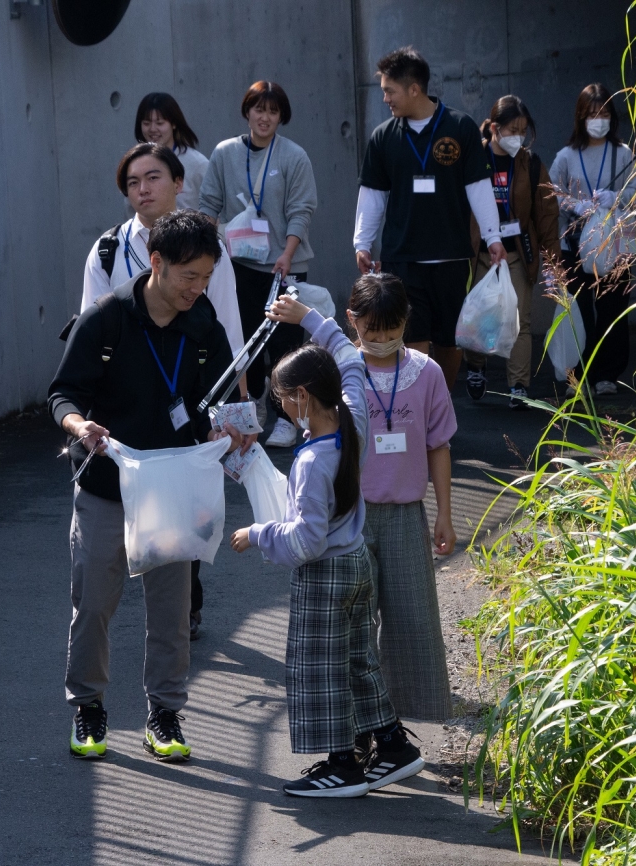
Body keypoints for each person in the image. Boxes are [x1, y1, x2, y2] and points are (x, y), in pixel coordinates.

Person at [49, 210, 256, 762]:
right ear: (158, 264)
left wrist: (219, 428)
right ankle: (88, 706)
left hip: (173, 486)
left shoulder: (204, 325)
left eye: (207, 277)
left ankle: (165, 713)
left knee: (171, 610)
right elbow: (62, 394)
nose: (197, 288)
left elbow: (203, 401)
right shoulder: (106, 319)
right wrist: (78, 426)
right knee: (93, 601)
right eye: (189, 276)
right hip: (105, 483)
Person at [228, 291, 423, 798]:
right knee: (358, 659)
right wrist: (309, 318)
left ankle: (342, 766)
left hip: (327, 573)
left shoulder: (312, 460)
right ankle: (392, 744)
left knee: (319, 668)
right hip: (356, 560)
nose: (281, 408)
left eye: (281, 399)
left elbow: (307, 541)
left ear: (302, 400)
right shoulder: (351, 417)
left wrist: (260, 534)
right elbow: (346, 356)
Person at [79, 142, 245, 640]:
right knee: (116, 522)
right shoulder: (108, 248)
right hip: (125, 405)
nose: (143, 189)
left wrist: (233, 411)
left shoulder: (207, 246)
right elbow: (87, 325)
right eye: (133, 182)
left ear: (178, 182)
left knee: (181, 517)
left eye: (153, 178)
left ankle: (183, 609)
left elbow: (228, 334)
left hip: (185, 400)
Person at [353, 46, 504, 391]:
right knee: (413, 338)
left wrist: (493, 237)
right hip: (402, 258)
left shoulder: (460, 127)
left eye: (390, 91)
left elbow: (479, 188)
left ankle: (441, 403)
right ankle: (419, 415)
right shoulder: (383, 137)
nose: (386, 99)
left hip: (451, 255)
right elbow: (372, 195)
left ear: (414, 88)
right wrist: (362, 242)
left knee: (450, 341)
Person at [346, 272, 457, 722]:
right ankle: (359, 720)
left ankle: (405, 721)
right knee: (353, 623)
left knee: (414, 621)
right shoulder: (342, 370)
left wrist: (445, 515)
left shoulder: (426, 373)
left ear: (406, 322)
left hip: (407, 514)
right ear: (353, 322)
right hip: (350, 517)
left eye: (392, 334)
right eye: (373, 334)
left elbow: (439, 445)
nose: (382, 342)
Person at [200, 81, 318, 449]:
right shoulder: (224, 153)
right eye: (258, 109)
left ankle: (287, 418)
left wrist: (287, 252)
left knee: (284, 343)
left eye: (273, 111)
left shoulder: (294, 156)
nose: (264, 117)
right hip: (239, 264)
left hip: (285, 264)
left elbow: (302, 209)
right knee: (244, 341)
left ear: (281, 116)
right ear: (246, 111)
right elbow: (208, 204)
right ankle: (253, 407)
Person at [462, 95, 560, 409]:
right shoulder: (473, 158)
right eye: (511, 129)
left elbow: (546, 213)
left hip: (518, 250)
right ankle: (476, 368)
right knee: (478, 316)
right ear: (494, 128)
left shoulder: (530, 164)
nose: (517, 135)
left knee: (521, 319)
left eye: (522, 129)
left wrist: (553, 261)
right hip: (480, 252)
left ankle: (518, 385)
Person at [549, 84, 636, 396]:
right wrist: (574, 205)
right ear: (580, 117)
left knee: (612, 308)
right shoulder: (566, 156)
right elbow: (551, 194)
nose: (597, 119)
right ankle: (578, 375)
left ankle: (606, 375)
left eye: (603, 113)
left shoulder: (623, 153)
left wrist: (615, 197)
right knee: (578, 311)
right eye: (591, 114)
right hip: (575, 242)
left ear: (612, 117)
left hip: (613, 243)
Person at [134, 92, 209, 212]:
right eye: (146, 123)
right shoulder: (134, 164)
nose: (153, 129)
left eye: (160, 123)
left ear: (174, 124)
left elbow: (214, 208)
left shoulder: (197, 164)